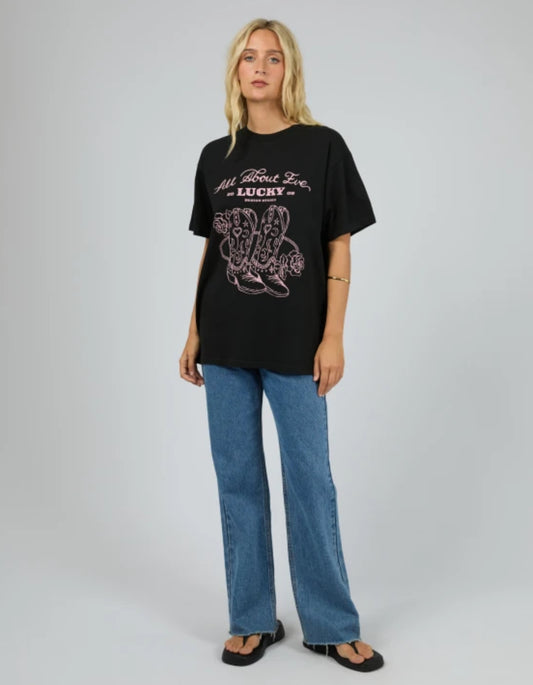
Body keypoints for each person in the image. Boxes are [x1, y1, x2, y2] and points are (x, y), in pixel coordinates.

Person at [180, 18, 385, 672]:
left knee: (310, 482)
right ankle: (250, 617)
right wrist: (193, 330)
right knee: (237, 480)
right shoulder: (215, 156)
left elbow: (338, 243)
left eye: (272, 57)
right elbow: (213, 249)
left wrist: (333, 335)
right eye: (249, 57)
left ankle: (330, 623)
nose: (260, 67)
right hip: (225, 340)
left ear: (288, 69)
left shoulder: (322, 146)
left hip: (297, 343)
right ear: (235, 71)